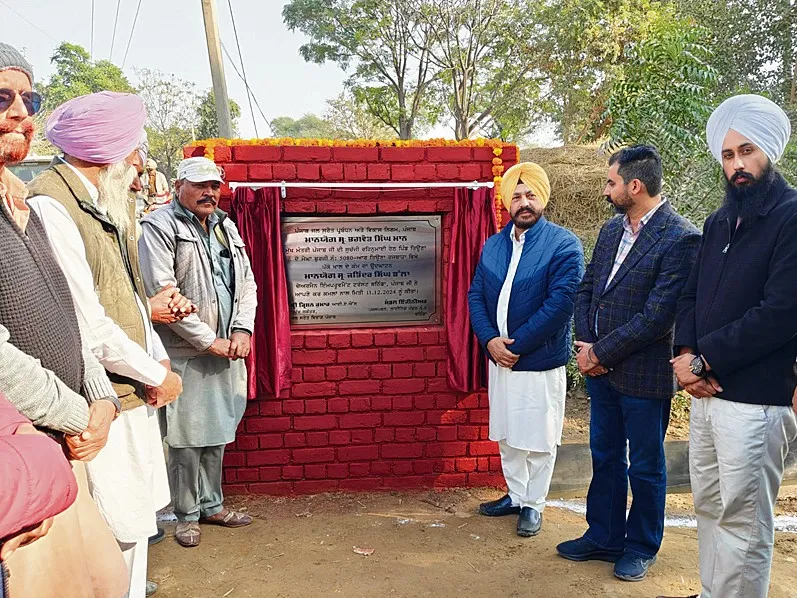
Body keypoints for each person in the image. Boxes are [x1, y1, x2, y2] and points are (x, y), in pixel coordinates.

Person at [26, 91, 185, 598]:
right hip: (99, 400)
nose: (140, 166)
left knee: (135, 520)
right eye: (135, 152)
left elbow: (130, 302)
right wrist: (159, 373)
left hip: (129, 388)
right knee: (115, 524)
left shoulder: (100, 206)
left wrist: (155, 359)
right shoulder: (52, 206)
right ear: (109, 154)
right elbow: (87, 324)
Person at [0, 43, 129, 598]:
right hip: (20, 456)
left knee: (106, 581)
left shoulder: (24, 202)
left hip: (63, 445)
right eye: (2, 96)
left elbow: (70, 313)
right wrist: (81, 413)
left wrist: (100, 398)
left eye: (29, 98)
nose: (21, 112)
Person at [664, 95, 797, 598]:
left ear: (769, 150)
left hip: (756, 401)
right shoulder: (720, 222)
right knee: (709, 507)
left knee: (744, 523)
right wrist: (684, 356)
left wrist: (705, 358)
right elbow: (692, 294)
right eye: (727, 155)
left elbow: (781, 312)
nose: (737, 164)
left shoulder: (791, 216)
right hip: (705, 395)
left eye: (747, 151)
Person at [556, 145, 700, 582]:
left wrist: (599, 353)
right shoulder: (610, 230)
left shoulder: (681, 237)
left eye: (611, 182)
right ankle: (603, 536)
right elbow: (587, 288)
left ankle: (639, 547)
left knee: (646, 465)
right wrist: (585, 342)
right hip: (600, 371)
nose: (606, 189)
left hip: (643, 376)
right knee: (605, 457)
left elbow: (658, 318)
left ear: (634, 186)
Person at [139, 156, 258, 547]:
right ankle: (186, 514)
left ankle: (213, 505)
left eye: (215, 186)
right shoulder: (159, 226)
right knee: (186, 439)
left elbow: (247, 284)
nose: (209, 193)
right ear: (179, 186)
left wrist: (241, 329)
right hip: (187, 352)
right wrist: (209, 340)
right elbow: (164, 295)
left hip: (228, 348)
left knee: (218, 432)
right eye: (200, 186)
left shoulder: (225, 225)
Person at [467, 162, 584, 537]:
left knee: (538, 437)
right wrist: (489, 340)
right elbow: (475, 296)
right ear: (506, 203)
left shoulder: (563, 244)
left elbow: (561, 303)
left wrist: (517, 346)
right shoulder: (494, 245)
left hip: (537, 361)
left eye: (530, 194)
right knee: (506, 433)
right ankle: (516, 495)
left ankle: (534, 504)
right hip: (499, 359)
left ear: (542, 197)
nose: (524, 202)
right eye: (516, 196)